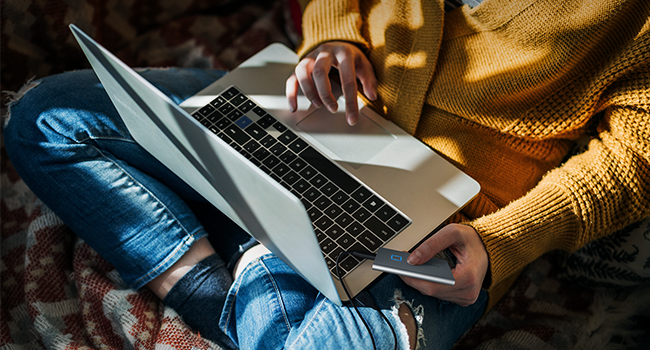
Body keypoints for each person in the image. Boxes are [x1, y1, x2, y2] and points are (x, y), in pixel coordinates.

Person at [3, 0, 649, 349]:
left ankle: (258, 253)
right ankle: (245, 275)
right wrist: (333, 39)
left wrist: (503, 243)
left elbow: (634, 159)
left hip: (440, 223)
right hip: (311, 119)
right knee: (44, 120)